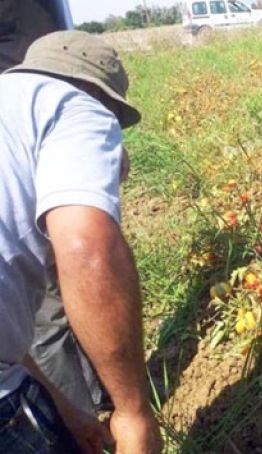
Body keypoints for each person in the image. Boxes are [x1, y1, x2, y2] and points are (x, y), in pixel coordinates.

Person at [0, 31, 162, 453]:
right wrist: (132, 412)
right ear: (94, 91)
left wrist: (61, 405)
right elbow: (88, 250)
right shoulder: (72, 105)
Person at [0, 0, 108, 417]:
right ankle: (79, 418)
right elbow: (88, 248)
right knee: (47, 309)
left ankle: (92, 402)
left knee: (65, 296)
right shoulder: (55, 105)